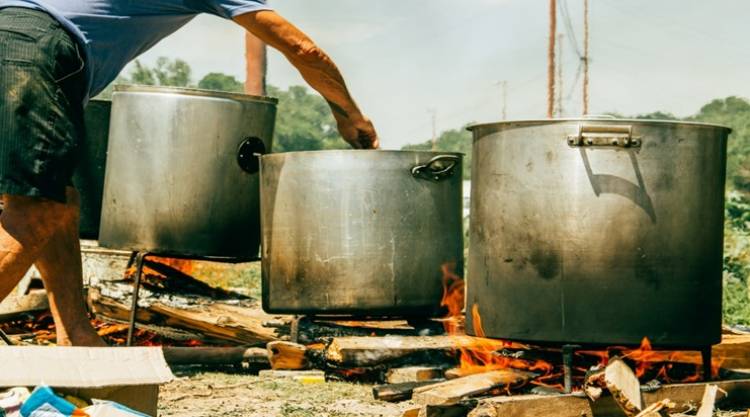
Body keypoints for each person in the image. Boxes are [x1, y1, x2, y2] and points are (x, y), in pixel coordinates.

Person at [0, 0, 379, 346]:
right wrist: (349, 115)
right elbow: (302, 48)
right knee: (38, 211)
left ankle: (77, 337)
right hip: (32, 48)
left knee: (58, 201)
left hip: (12, 33)